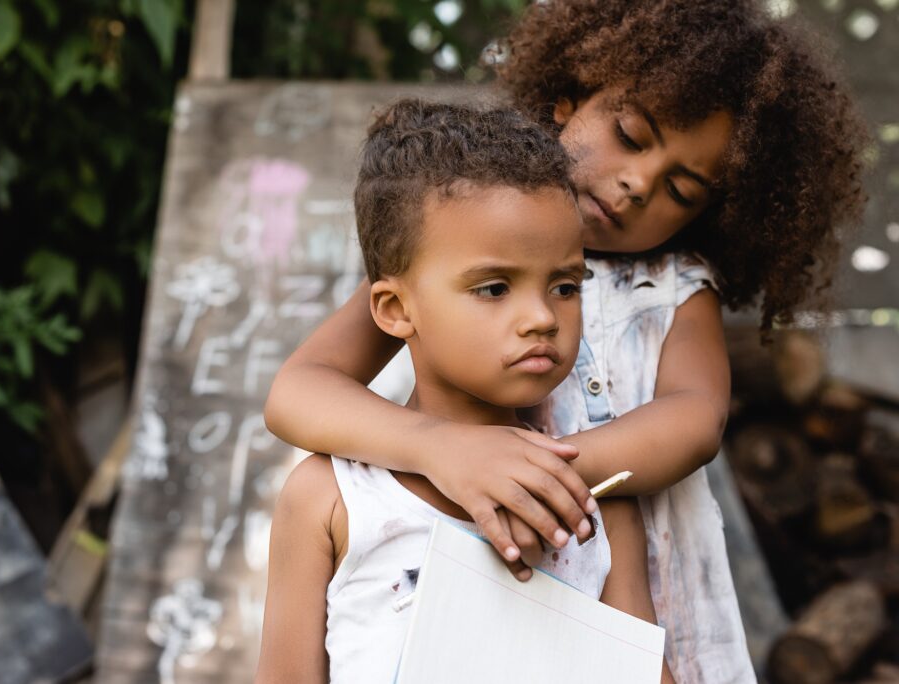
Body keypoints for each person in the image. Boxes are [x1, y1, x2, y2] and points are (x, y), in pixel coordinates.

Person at [263, 1, 867, 681]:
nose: (639, 185)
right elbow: (296, 392)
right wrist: (446, 452)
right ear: (564, 100)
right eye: (633, 138)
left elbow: (694, 421)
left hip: (619, 568)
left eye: (682, 187)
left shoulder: (674, 286)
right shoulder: (453, 242)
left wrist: (536, 478)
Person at [255, 99, 675, 684]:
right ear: (396, 308)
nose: (542, 318)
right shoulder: (331, 500)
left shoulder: (593, 501)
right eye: (495, 287)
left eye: (564, 286)